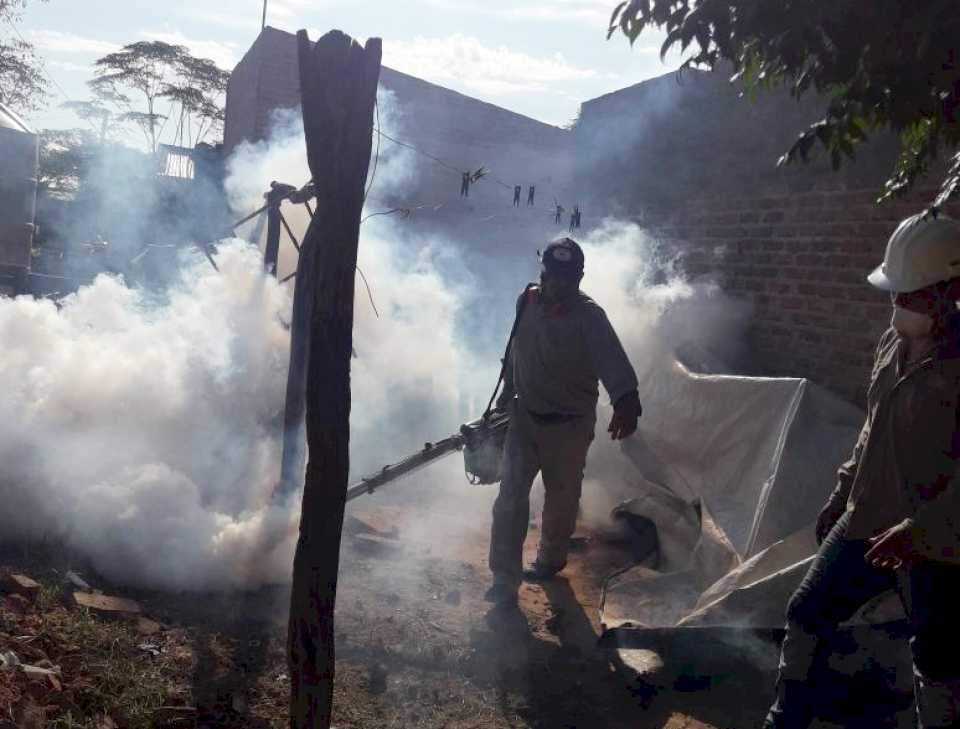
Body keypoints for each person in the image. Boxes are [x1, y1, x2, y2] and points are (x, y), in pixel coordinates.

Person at [763, 210, 960, 729]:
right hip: (867, 517)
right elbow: (874, 426)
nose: (897, 304)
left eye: (911, 293)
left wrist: (922, 530)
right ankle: (786, 719)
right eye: (894, 292)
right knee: (807, 614)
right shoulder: (893, 342)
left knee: (937, 661)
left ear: (950, 291)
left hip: (936, 544)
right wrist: (843, 488)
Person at [486, 237, 642, 606]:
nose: (557, 285)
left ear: (579, 277)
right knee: (509, 497)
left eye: (566, 279)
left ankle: (549, 561)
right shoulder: (526, 301)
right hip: (524, 418)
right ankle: (504, 578)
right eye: (551, 276)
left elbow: (613, 362)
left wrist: (626, 401)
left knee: (561, 499)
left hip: (569, 425)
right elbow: (514, 354)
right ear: (543, 272)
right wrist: (505, 399)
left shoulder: (590, 316)